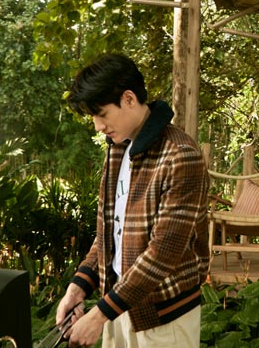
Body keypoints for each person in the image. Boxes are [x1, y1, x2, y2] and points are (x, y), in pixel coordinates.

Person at [56, 53, 210, 348]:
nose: (98, 126)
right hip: (118, 307)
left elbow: (163, 253)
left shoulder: (181, 155)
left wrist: (99, 315)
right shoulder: (118, 149)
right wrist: (79, 286)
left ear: (129, 99)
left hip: (163, 318)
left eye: (102, 114)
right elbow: (109, 232)